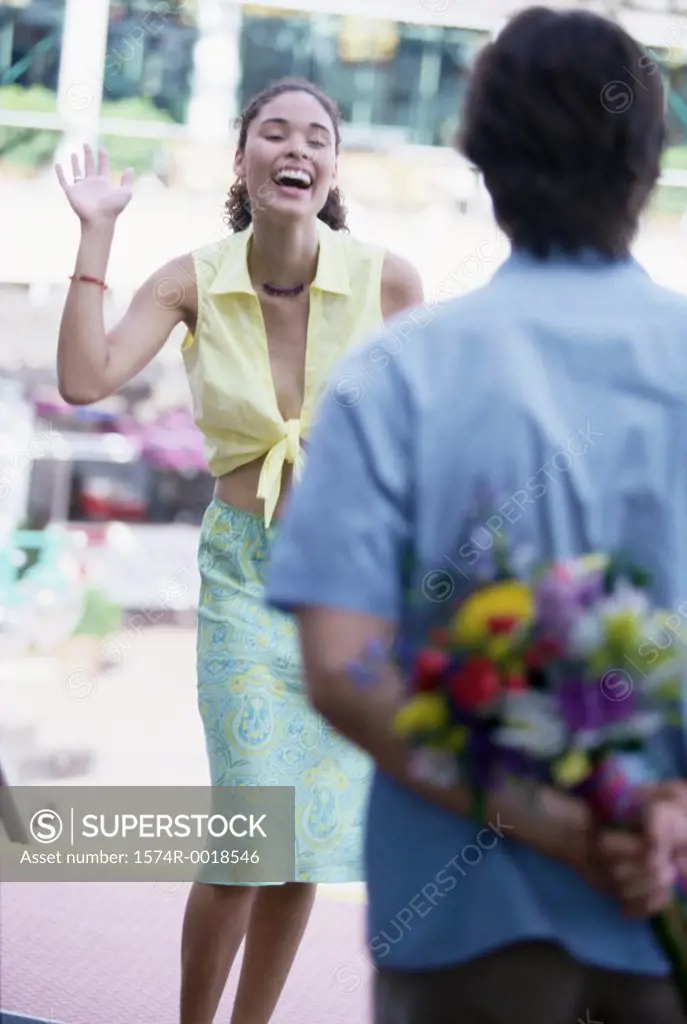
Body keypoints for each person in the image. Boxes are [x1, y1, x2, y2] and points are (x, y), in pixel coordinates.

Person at [265, 9, 687, 1024]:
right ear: (648, 160)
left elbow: (343, 667)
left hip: (464, 925)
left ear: (482, 163)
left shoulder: (392, 376)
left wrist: (539, 820)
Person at [54, 77, 424, 1024]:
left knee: (309, 838)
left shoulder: (389, 283)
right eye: (273, 131)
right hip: (243, 578)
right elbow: (86, 377)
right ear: (243, 159)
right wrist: (96, 231)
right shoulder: (191, 279)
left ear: (332, 167)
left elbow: (433, 436)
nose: (295, 146)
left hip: (353, 590)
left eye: (315, 136)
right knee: (252, 825)